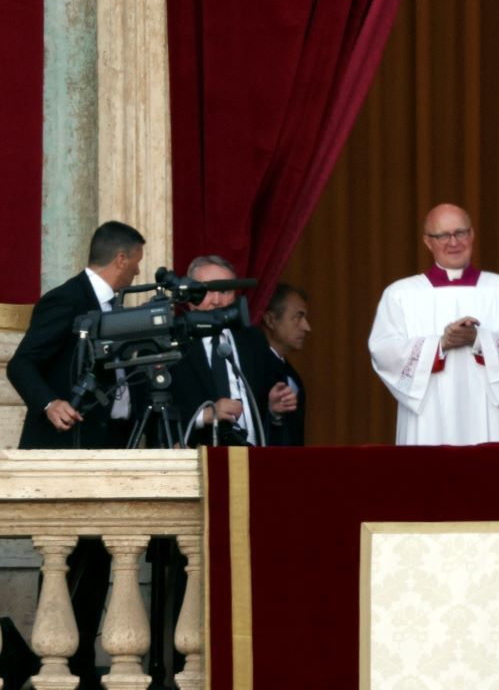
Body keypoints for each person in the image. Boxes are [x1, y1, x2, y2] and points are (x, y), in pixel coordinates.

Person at [6, 220, 145, 690]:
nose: (137, 272)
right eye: (135, 262)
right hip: (68, 450)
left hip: (107, 453)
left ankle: (81, 667)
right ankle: (55, 667)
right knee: (65, 560)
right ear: (121, 258)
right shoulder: (65, 300)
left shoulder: (115, 308)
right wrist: (50, 403)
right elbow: (23, 363)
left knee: (99, 560)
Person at [368, 203, 499, 444]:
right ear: (427, 242)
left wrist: (480, 340)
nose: (453, 242)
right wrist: (440, 344)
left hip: (488, 411)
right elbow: (384, 351)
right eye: (442, 235)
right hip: (428, 414)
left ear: (472, 235)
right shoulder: (401, 294)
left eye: (460, 232)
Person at [168, 255, 297, 446]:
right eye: (207, 291)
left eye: (225, 291)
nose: (217, 300)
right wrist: (204, 415)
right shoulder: (170, 342)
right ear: (189, 297)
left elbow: (271, 408)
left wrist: (274, 408)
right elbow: (153, 411)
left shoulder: (253, 339)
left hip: (251, 454)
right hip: (199, 455)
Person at [238, 283, 310, 446]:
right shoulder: (250, 370)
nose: (307, 327)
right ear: (270, 320)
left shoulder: (291, 375)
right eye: (298, 317)